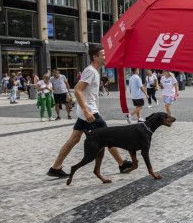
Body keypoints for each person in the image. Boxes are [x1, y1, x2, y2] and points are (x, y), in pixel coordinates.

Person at [46, 45, 132, 179]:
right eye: (103, 55)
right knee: (109, 136)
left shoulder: (94, 71)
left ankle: (55, 167)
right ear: (95, 57)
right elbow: (77, 89)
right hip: (90, 113)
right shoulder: (90, 71)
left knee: (74, 139)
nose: (106, 57)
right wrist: (86, 111)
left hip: (85, 113)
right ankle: (122, 164)